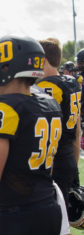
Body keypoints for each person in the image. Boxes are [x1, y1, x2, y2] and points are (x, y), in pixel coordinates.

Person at [0, 36, 63, 235]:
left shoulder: (1, 108)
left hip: (17, 215)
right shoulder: (50, 103)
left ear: (5, 68)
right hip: (49, 207)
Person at [36, 38, 81, 213]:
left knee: (50, 218)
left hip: (52, 159)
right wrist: (74, 164)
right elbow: (77, 130)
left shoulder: (47, 86)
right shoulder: (72, 82)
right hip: (68, 154)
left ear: (44, 60)